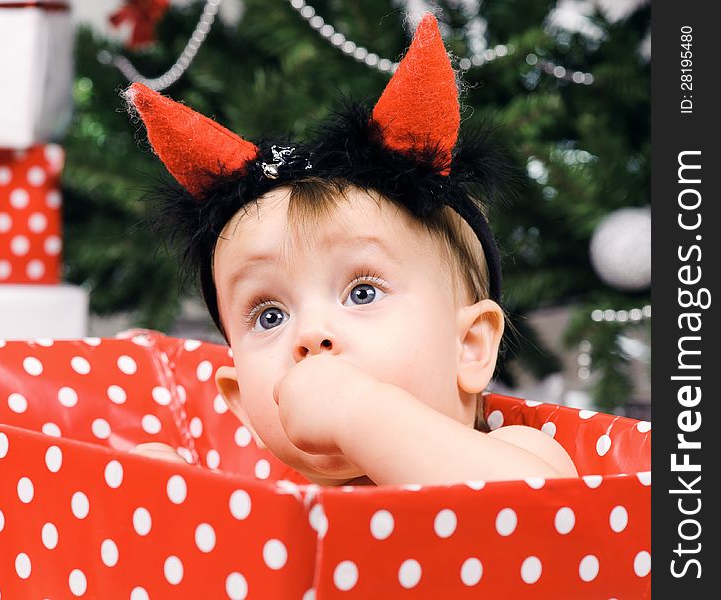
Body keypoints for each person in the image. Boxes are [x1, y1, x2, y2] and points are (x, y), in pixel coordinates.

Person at [126, 14, 578, 486]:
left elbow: (537, 517)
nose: (311, 334)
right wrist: (182, 506)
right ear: (242, 403)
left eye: (362, 292)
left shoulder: (517, 455)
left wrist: (359, 410)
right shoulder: (267, 505)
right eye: (269, 315)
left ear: (469, 346)